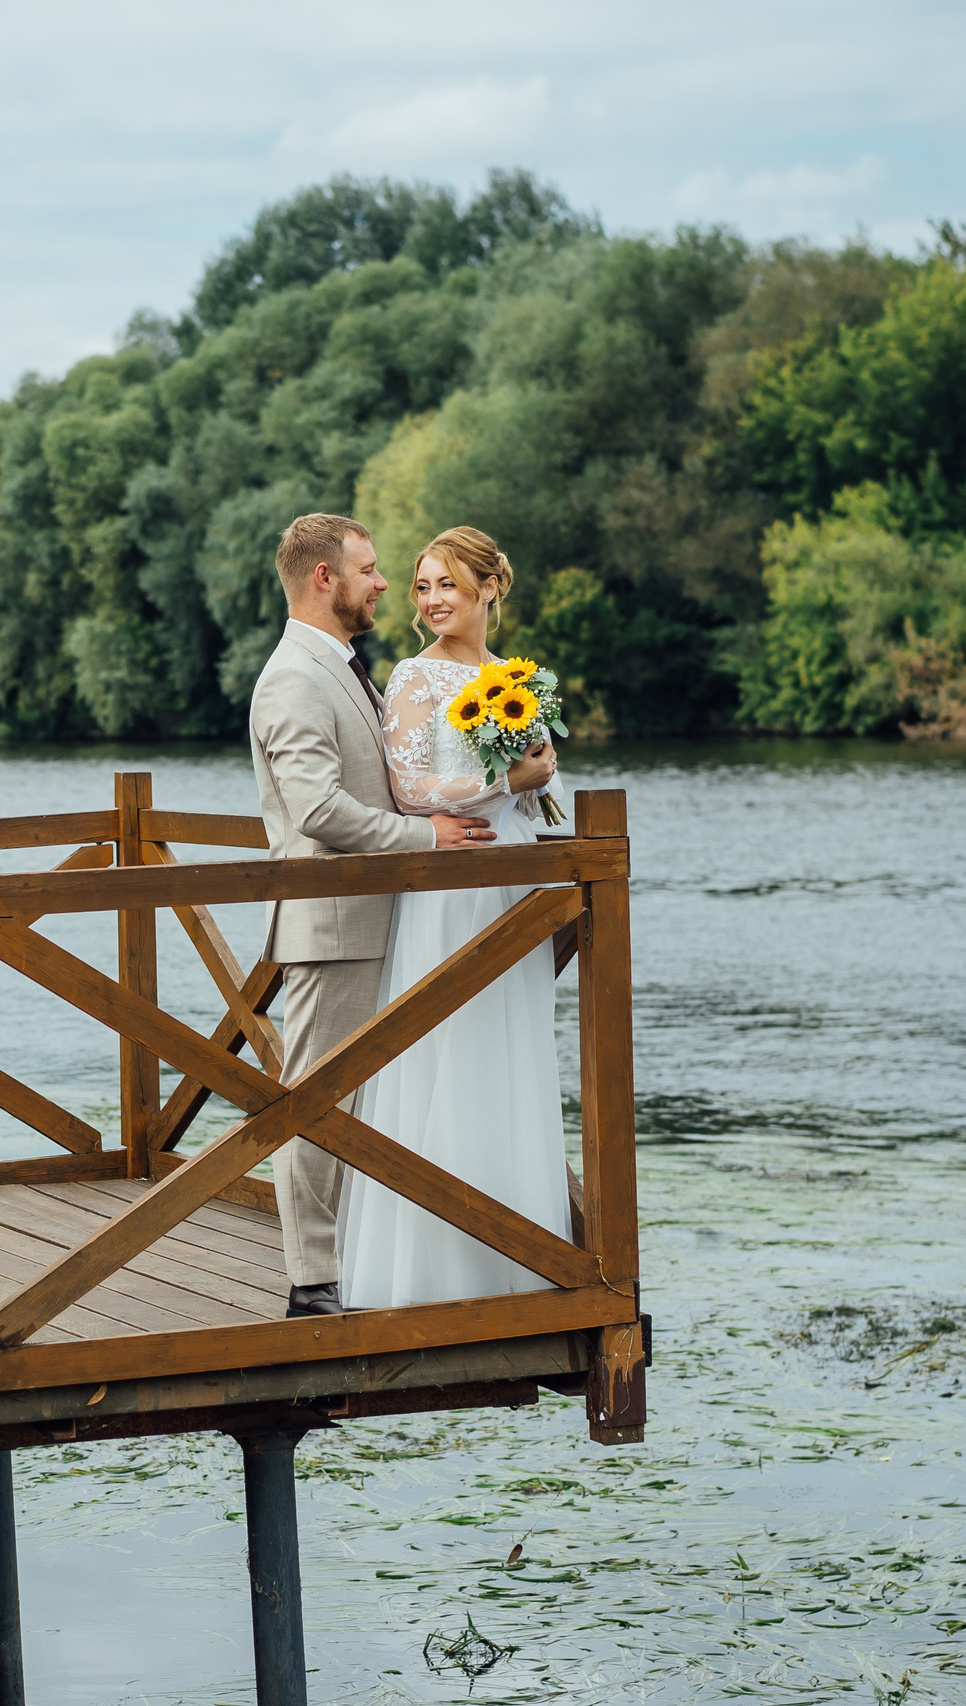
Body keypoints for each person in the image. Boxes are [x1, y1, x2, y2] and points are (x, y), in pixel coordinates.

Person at [247, 513, 496, 1319]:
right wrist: (425, 837)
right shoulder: (292, 677)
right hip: (335, 923)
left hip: (382, 919)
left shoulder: (345, 668)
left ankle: (367, 1256)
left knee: (370, 1098)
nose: (384, 584)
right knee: (315, 1100)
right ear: (325, 578)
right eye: (370, 569)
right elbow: (318, 810)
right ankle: (313, 1282)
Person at [335, 525, 572, 1310]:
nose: (433, 600)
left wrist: (536, 777)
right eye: (422, 586)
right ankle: (430, 1266)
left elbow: (531, 793)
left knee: (508, 1047)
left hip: (510, 878)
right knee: (444, 1046)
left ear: (489, 590)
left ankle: (514, 1257)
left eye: (449, 586)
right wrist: (507, 779)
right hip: (450, 886)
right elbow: (409, 789)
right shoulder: (413, 678)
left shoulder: (517, 678)